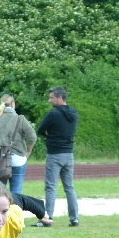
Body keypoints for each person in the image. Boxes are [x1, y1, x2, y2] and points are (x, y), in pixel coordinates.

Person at [36, 86, 79, 227]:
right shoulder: (74, 113)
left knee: (51, 187)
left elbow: (40, 130)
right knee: (69, 187)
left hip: (54, 154)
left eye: (52, 97)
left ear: (60, 98)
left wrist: (49, 134)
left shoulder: (53, 114)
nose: (50, 100)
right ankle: (74, 218)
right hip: (69, 154)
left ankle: (48, 218)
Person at [0, 94, 37, 196]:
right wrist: (27, 152)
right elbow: (32, 137)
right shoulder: (20, 119)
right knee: (16, 193)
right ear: (13, 104)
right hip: (18, 159)